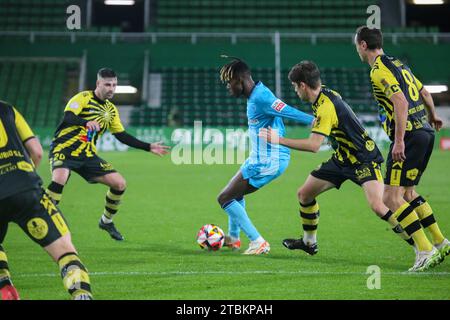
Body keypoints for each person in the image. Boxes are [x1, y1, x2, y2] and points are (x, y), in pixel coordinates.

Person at [258, 61, 433, 271]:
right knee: (304, 194)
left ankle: (420, 248)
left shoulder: (324, 106)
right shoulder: (326, 95)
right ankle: (308, 242)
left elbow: (314, 146)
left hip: (363, 158)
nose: (295, 91)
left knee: (380, 206)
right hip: (343, 158)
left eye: (295, 87)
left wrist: (279, 140)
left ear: (303, 85)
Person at [354, 26, 447, 270]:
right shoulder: (398, 64)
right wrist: (433, 116)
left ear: (363, 45)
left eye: (357, 45)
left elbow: (400, 101)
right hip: (425, 132)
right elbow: (424, 91)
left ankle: (425, 250)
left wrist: (398, 141)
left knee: (390, 197)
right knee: (408, 193)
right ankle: (440, 242)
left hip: (410, 136)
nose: (357, 50)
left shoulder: (378, 71)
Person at [45, 68, 170, 241]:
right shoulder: (83, 98)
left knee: (119, 184)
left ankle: (106, 221)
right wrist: (86, 122)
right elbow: (68, 117)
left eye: (114, 85)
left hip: (87, 155)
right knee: (59, 178)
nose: (111, 88)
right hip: (63, 149)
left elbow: (121, 135)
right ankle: (42, 220)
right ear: (98, 84)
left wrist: (148, 147)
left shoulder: (111, 110)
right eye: (107, 84)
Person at [217, 56, 314, 255]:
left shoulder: (261, 97)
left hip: (269, 159)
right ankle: (234, 238)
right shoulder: (255, 95)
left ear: (240, 80)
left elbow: (287, 110)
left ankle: (258, 242)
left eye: (229, 83)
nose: (228, 87)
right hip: (258, 157)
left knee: (225, 198)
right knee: (235, 194)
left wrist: (314, 120)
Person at [0, 100, 93, 300]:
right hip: (26, 189)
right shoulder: (7, 108)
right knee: (66, 253)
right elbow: (37, 151)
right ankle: (81, 294)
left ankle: (5, 287)